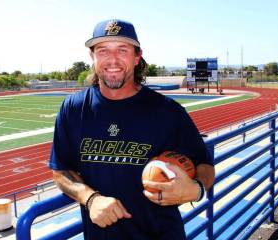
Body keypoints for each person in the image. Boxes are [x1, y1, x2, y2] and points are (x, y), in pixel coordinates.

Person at [49, 19, 215, 240]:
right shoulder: (73, 108)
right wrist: (91, 199)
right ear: (92, 57)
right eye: (103, 50)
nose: (113, 59)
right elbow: (61, 172)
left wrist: (195, 190)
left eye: (122, 50)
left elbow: (205, 166)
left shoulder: (167, 111)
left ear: (137, 57)